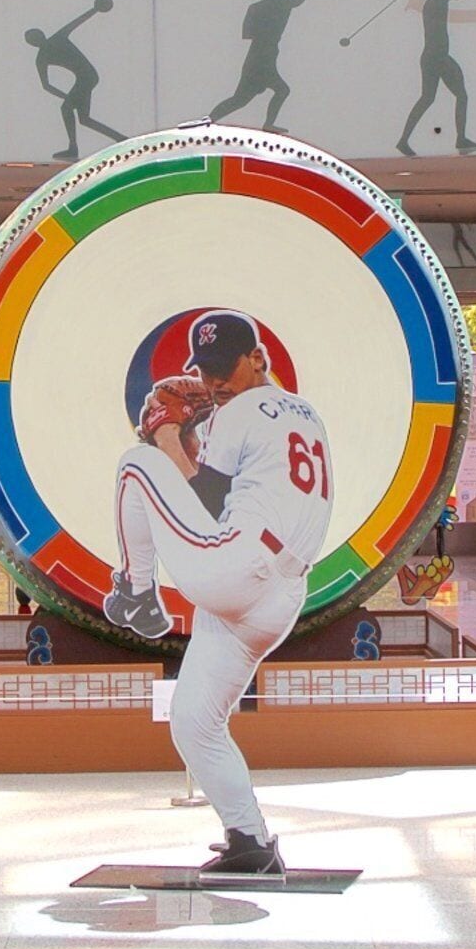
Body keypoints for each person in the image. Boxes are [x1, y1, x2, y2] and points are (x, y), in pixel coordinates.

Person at [103, 311, 329, 877]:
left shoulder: (242, 409)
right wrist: (192, 438)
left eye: (224, 366)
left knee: (137, 463)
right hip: (279, 595)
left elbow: (206, 499)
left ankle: (137, 591)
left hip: (238, 565)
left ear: (258, 358)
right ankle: (250, 841)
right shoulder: (306, 414)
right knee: (194, 721)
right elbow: (236, 489)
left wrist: (167, 436)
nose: (214, 381)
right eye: (205, 370)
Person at [395, 0, 476, 156]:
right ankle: (459, 139)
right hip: (437, 57)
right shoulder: (437, 1)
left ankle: (404, 140)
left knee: (429, 98)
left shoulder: (438, 0)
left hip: (434, 56)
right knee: (453, 96)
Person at [26, 0, 124, 159]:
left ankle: (74, 148)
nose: (35, 40)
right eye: (32, 39)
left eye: (34, 37)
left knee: (67, 109)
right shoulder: (42, 57)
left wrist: (95, 9)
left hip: (87, 76)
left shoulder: (56, 39)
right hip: (86, 77)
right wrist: (67, 97)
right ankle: (120, 139)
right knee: (84, 119)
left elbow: (78, 21)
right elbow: (46, 85)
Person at [209, 0, 308, 128]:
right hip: (260, 59)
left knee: (242, 99)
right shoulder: (281, 4)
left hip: (261, 56)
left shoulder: (258, 7)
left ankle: (210, 120)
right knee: (246, 98)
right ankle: (210, 120)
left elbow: (248, 33)